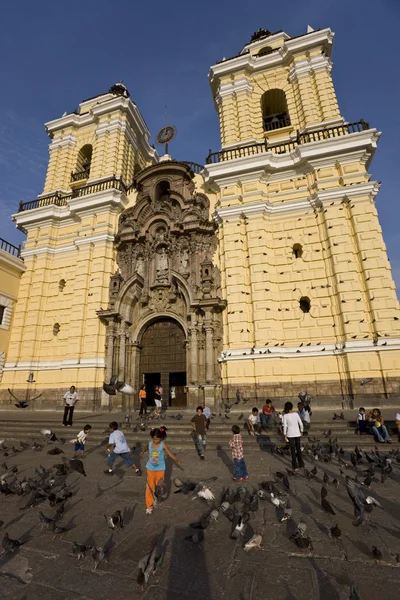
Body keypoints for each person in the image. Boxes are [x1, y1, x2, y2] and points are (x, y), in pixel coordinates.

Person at [140, 426, 181, 514]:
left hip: (160, 469)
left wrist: (177, 460)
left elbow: (169, 454)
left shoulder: (163, 445)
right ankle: (149, 506)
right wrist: (142, 452)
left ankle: (163, 491)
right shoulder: (150, 443)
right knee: (150, 487)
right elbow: (146, 447)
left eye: (157, 439)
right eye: (154, 439)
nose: (156, 441)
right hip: (150, 468)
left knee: (159, 485)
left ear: (161, 438)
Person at [283, 401, 304, 470]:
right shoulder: (296, 414)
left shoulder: (285, 416)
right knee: (298, 449)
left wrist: (285, 435)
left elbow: (285, 426)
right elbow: (300, 423)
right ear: (291, 407)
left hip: (290, 434)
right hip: (297, 433)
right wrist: (301, 431)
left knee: (292, 450)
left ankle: (295, 465)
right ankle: (301, 463)